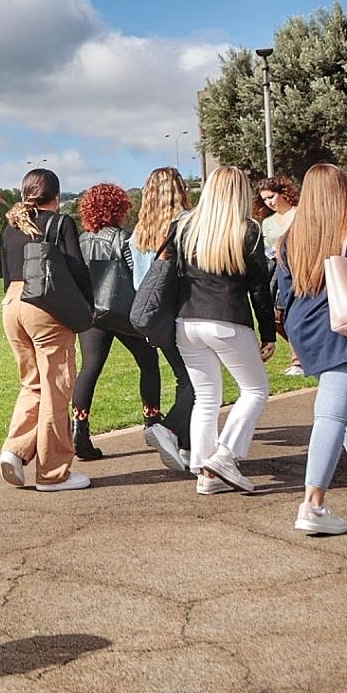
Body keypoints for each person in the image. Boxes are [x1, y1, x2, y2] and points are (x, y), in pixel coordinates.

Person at [168, 166, 276, 495]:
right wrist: (268, 333)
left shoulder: (183, 227)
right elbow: (259, 289)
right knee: (255, 391)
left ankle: (206, 473)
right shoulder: (248, 231)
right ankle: (225, 455)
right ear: (241, 193)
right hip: (227, 319)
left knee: (206, 398)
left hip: (187, 322)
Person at [274, 164, 347, 534]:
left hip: (308, 328)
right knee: (332, 415)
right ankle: (313, 504)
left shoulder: (292, 236)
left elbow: (282, 291)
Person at [0, 169, 94, 492]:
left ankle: (15, 450)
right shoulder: (60, 222)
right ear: (56, 196)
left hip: (12, 304)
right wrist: (85, 307)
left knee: (32, 383)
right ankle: (53, 473)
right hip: (46, 304)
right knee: (56, 387)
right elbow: (77, 267)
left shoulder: (10, 225)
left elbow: (5, 273)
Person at [70, 183, 165, 460]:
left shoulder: (81, 239)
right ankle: (152, 421)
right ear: (119, 208)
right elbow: (137, 276)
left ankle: (80, 428)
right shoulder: (124, 237)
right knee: (148, 362)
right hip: (123, 311)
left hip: (92, 313)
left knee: (89, 369)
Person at [131, 167, 196, 473]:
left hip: (155, 317)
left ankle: (186, 446)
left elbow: (138, 283)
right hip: (183, 311)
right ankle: (169, 430)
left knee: (185, 379)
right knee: (195, 382)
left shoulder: (139, 232)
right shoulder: (186, 223)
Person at [258, 176, 305, 377]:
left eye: (272, 196)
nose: (270, 202)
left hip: (298, 269)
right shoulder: (267, 223)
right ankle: (304, 351)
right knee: (278, 316)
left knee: (293, 312)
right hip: (277, 272)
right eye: (265, 199)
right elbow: (266, 247)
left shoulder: (298, 214)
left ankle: (299, 361)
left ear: (283, 192)